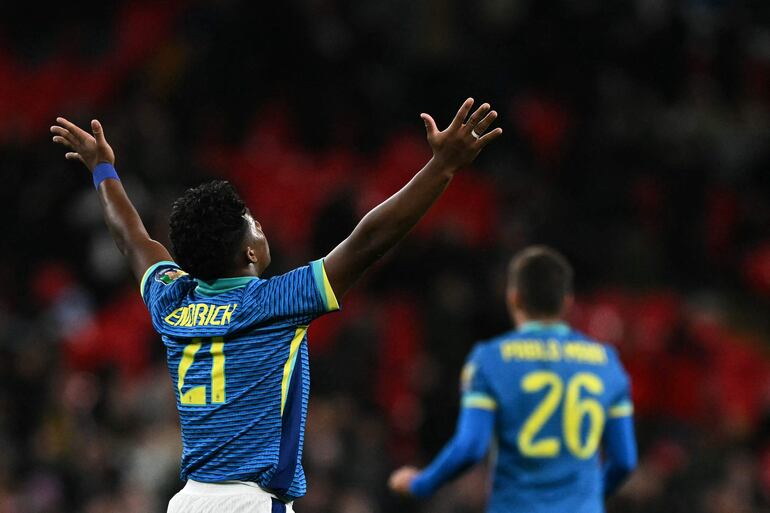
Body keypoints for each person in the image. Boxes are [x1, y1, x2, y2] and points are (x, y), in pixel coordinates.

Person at [50, 98, 501, 513]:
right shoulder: (274, 303)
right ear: (248, 253)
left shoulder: (172, 300)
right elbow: (369, 240)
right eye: (254, 226)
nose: (261, 227)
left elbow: (133, 241)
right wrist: (442, 166)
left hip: (188, 501)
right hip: (251, 502)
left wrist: (102, 170)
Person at [389, 246, 637, 513]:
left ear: (514, 299)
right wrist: (587, 500)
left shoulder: (490, 359)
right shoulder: (606, 362)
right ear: (567, 302)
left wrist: (420, 484)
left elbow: (471, 447)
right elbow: (624, 461)